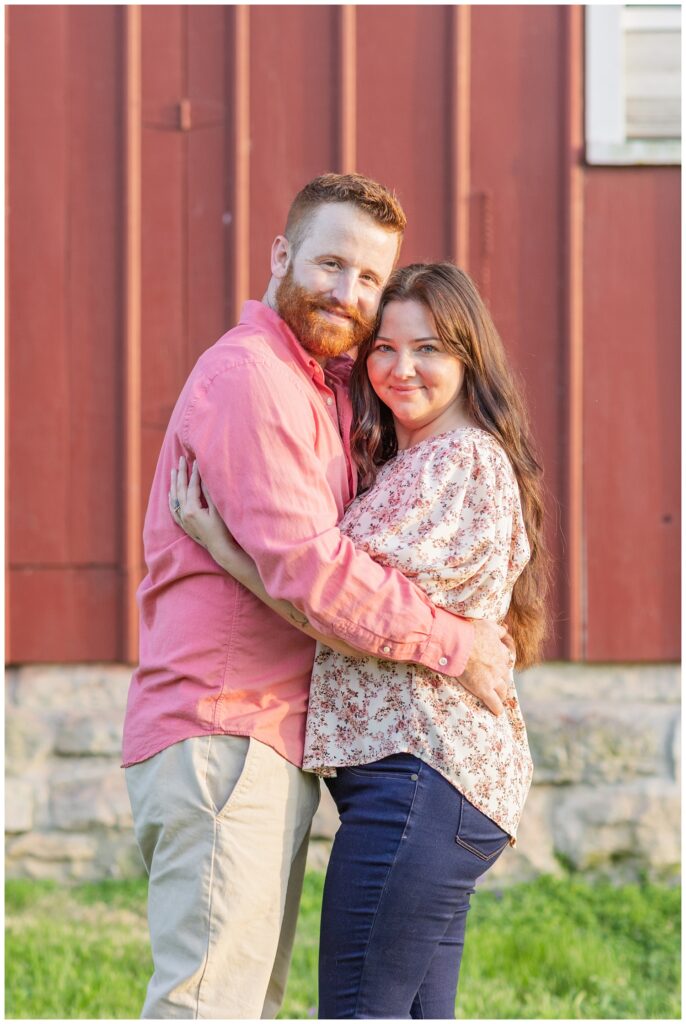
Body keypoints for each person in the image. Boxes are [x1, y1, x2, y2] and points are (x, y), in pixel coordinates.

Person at [123, 174, 515, 1020]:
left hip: (266, 739)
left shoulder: (327, 391)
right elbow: (315, 572)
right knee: (209, 1006)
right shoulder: (252, 378)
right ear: (281, 255)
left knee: (241, 1001)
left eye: (369, 278)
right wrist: (460, 646)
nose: (349, 293)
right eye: (331, 263)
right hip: (224, 727)